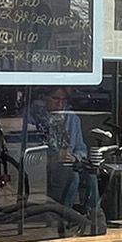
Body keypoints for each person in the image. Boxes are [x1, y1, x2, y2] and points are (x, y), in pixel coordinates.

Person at [23, 86, 101, 227]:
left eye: (63, 100)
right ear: (44, 98)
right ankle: (63, 217)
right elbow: (30, 145)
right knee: (72, 176)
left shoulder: (72, 118)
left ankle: (93, 216)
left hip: (69, 161)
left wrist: (75, 157)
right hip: (46, 162)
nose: (60, 103)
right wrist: (52, 155)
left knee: (91, 174)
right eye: (55, 98)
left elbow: (81, 148)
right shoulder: (33, 117)